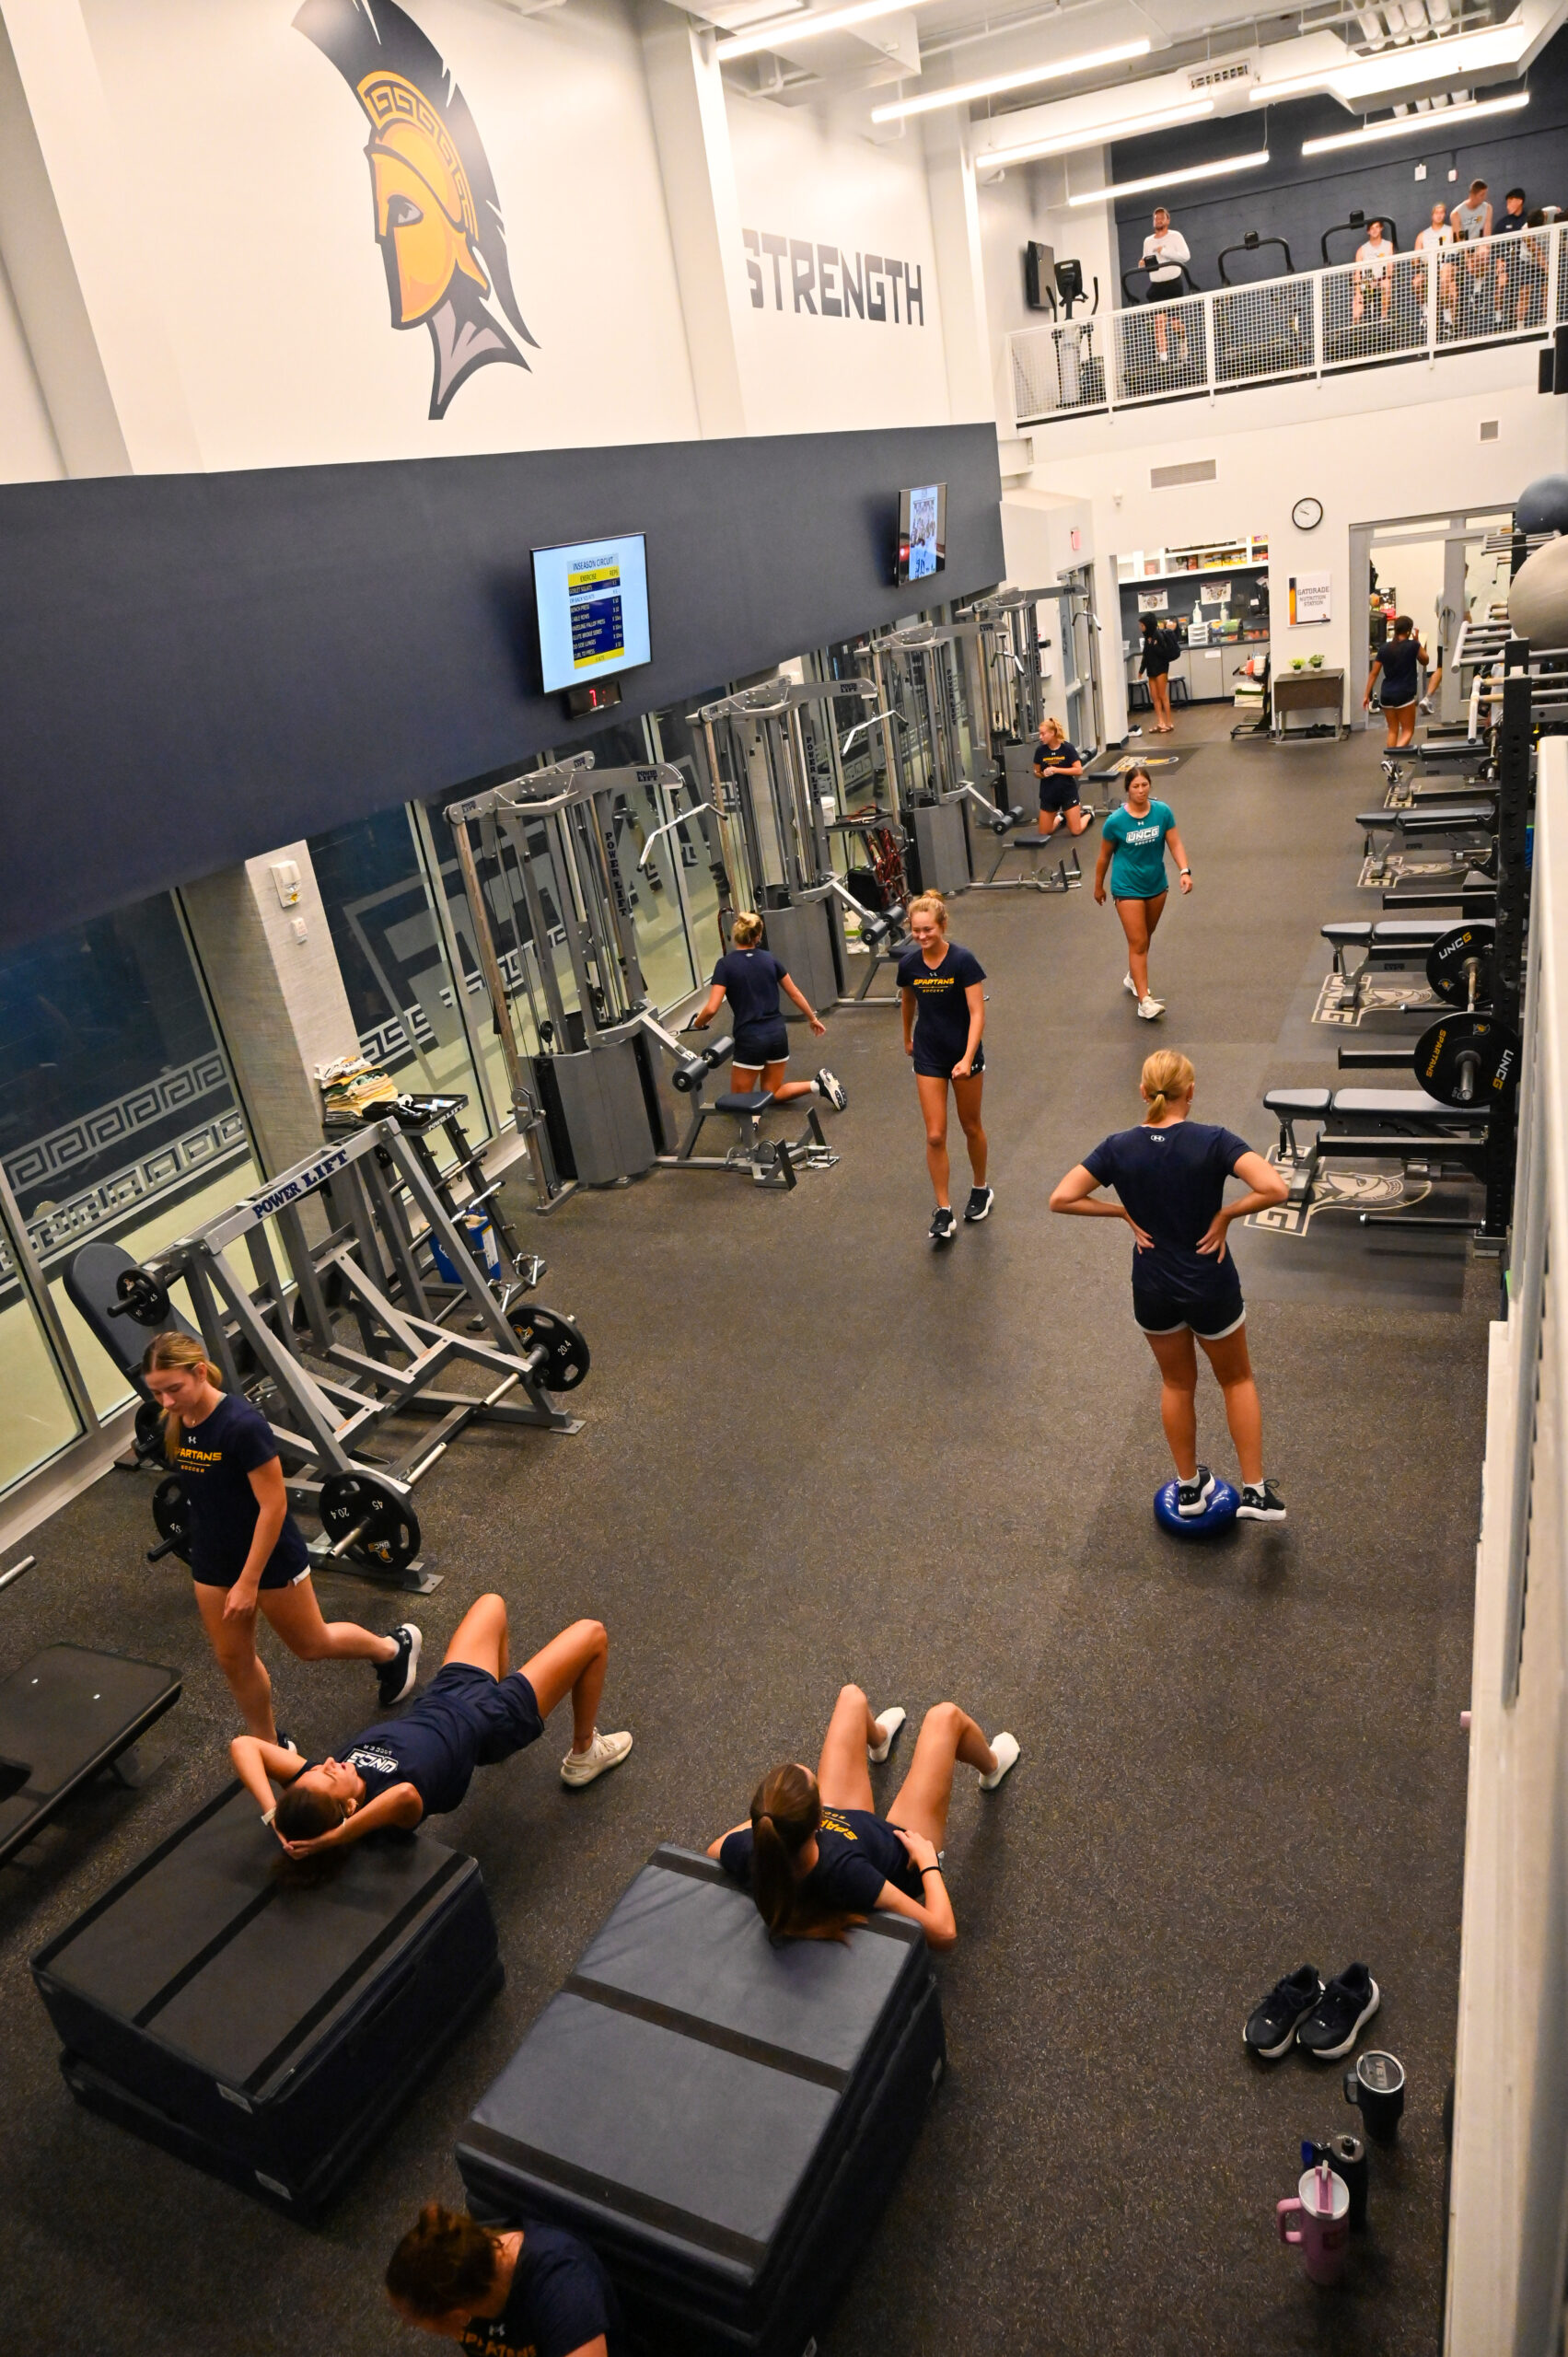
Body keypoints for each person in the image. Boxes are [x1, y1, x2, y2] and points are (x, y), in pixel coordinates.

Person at [141, 1329, 418, 1744]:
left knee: (311, 1645)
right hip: (212, 1559)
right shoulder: (178, 1420)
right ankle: (270, 1745)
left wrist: (249, 1581)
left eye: (173, 1389)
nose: (165, 1403)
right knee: (234, 1660)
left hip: (267, 1556)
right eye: (157, 1393)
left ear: (200, 1372)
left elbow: (273, 1507)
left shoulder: (241, 1425)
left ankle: (393, 1650)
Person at [1049, 1050, 1288, 1521]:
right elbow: (1275, 1189)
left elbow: (1062, 1198)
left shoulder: (1117, 1147)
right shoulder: (1214, 1140)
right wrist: (1225, 1214)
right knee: (1236, 1379)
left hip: (1153, 1286)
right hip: (1210, 1282)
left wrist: (1119, 1210)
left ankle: (1187, 1489)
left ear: (1144, 1092)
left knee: (1177, 1384)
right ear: (1191, 1092)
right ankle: (1256, 1493)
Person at [232, 1592, 632, 1852]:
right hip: (492, 1721)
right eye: (331, 1776)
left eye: (319, 1769)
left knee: (491, 1604)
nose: (329, 1763)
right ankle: (584, 1752)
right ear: (351, 1807)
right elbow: (405, 1795)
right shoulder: (389, 1808)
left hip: (447, 1692)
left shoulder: (320, 1785)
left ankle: (511, 1686)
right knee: (592, 1634)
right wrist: (336, 1838)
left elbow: (243, 1746)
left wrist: (274, 1817)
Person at [709, 1683, 1019, 1950]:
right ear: (816, 1818)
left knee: (851, 1697)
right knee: (946, 1717)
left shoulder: (754, 1849)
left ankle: (880, 1738)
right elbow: (943, 1933)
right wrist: (929, 1864)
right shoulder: (847, 1872)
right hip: (902, 1845)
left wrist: (775, 1821)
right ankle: (992, 1767)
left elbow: (713, 1850)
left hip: (843, 1821)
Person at [387, 2200, 621, 2356]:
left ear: (458, 2315)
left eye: (415, 2321)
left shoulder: (563, 2290)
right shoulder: (464, 2277)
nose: (407, 2323)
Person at [897, 890, 989, 1244]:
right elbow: (908, 1001)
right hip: (929, 1053)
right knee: (935, 1134)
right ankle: (944, 1209)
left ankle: (980, 1187)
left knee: (970, 1126)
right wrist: (906, 1038)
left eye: (928, 930)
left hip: (963, 1052)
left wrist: (967, 1058)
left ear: (942, 926)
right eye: (916, 931)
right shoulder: (909, 965)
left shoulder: (963, 961)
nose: (921, 937)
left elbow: (977, 1012)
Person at [690, 911, 845, 1109]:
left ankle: (751, 1122)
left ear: (735, 935)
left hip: (750, 1038)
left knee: (738, 1100)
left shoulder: (725, 965)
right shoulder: (769, 959)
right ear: (758, 937)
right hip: (777, 1034)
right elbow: (795, 993)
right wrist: (812, 1019)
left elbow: (711, 1009)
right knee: (771, 1093)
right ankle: (817, 1085)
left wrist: (698, 1023)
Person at [1095, 764, 1191, 1021]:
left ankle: (1132, 976)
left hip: (1156, 885)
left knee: (1145, 937)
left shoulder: (1162, 812)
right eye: (1135, 786)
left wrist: (1184, 870)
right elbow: (1104, 857)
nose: (1140, 790)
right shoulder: (1115, 822)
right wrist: (1098, 886)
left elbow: (1175, 843)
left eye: (1144, 785)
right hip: (1127, 887)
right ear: (1127, 790)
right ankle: (1144, 1001)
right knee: (1138, 943)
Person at [1364, 612, 1426, 749]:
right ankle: (1391, 761)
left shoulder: (1384, 648)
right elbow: (1425, 660)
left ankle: (1391, 766)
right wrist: (1418, 642)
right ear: (1409, 631)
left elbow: (1374, 673)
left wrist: (1366, 695)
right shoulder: (1412, 646)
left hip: (1386, 695)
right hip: (1404, 695)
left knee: (1392, 730)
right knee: (1408, 731)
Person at [1138, 205, 1191, 363]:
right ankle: (1163, 360)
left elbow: (1186, 256)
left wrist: (1164, 251)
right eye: (1156, 218)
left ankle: (1183, 342)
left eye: (1161, 217)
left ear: (1168, 220)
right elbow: (1146, 259)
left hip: (1173, 283)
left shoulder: (1176, 236)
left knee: (1175, 324)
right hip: (1157, 285)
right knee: (1159, 322)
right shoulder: (1148, 241)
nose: (1158, 220)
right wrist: (1142, 263)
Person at [1032, 714, 1092, 838]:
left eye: (1043, 734)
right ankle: (1060, 818)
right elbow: (1036, 773)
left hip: (1067, 794)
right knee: (1044, 833)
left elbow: (1078, 770)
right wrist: (1043, 774)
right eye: (1040, 734)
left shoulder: (1067, 748)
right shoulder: (1040, 751)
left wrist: (1056, 770)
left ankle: (1089, 815)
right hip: (1048, 794)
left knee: (1076, 831)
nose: (1040, 737)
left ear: (1052, 733)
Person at [1414, 202, 1457, 328]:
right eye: (1436, 213)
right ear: (1432, 215)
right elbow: (1415, 258)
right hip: (1428, 269)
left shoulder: (1451, 230)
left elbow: (1457, 253)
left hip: (1446, 266)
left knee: (1447, 280)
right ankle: (1425, 312)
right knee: (1416, 282)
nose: (1439, 215)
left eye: (1442, 213)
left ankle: (1447, 319)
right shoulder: (1422, 235)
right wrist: (1420, 264)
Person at [1138, 616, 1178, 735]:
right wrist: (1141, 670)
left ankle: (1169, 722)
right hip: (1151, 670)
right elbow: (1145, 656)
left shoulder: (1158, 636)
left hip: (1161, 669)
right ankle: (1161, 722)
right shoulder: (1147, 638)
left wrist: (1154, 646)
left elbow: (1164, 653)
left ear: (1148, 625)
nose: (1141, 628)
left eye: (1142, 625)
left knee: (1162, 695)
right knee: (1154, 697)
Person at [1351, 220, 1394, 326]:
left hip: (1381, 281)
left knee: (1387, 284)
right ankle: (1355, 332)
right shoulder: (1362, 250)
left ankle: (1384, 320)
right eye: (1372, 228)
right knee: (1357, 307)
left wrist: (1382, 279)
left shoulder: (1388, 245)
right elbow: (1357, 274)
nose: (1374, 230)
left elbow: (1390, 269)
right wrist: (1358, 292)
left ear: (1381, 228)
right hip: (1366, 284)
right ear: (1368, 231)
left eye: (1377, 227)